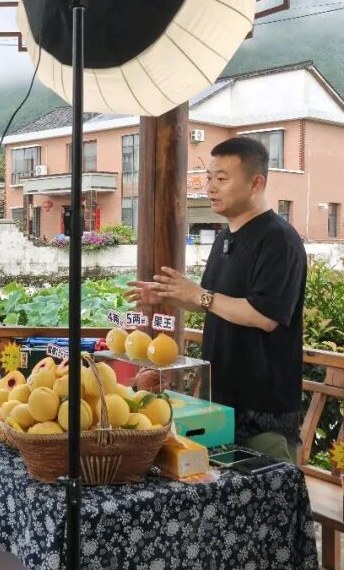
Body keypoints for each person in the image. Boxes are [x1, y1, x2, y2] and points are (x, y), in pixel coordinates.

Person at [126, 136, 307, 462]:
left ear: (256, 183)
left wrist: (200, 295)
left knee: (267, 492)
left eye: (221, 179)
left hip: (264, 410)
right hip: (221, 402)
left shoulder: (279, 239)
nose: (210, 187)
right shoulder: (225, 237)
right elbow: (210, 302)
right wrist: (170, 295)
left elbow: (264, 316)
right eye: (209, 178)